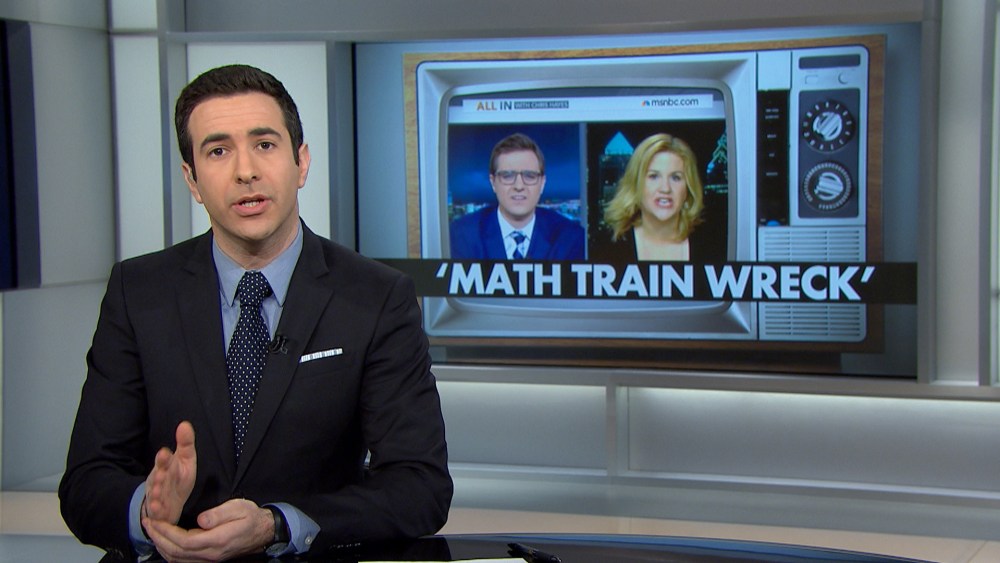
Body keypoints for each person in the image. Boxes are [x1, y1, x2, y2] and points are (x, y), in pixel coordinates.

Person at [58, 64, 453, 562]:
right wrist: (147, 510)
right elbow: (85, 483)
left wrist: (277, 525)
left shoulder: (376, 297)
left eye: (264, 144)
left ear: (301, 162)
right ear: (192, 179)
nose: (245, 171)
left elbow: (420, 486)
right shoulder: (138, 292)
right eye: (218, 151)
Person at [591, 133, 724, 263]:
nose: (665, 188)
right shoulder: (607, 247)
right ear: (636, 184)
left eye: (676, 178)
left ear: (688, 188)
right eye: (654, 176)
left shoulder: (712, 247)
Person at [449, 132, 585, 260]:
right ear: (493, 182)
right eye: (507, 176)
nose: (519, 186)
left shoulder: (570, 238)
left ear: (542, 183)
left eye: (529, 176)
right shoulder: (462, 236)